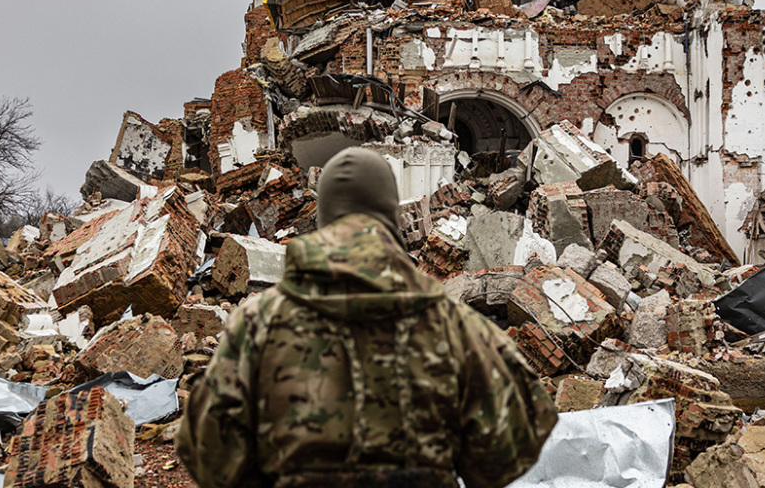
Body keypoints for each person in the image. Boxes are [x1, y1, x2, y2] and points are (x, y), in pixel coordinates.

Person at [177, 147, 557, 488]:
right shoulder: (452, 325)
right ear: (391, 217)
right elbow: (510, 451)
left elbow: (209, 454)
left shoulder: (258, 324)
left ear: (324, 219)